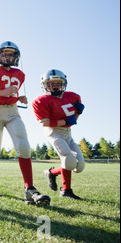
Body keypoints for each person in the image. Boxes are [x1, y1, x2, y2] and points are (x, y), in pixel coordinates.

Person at [0, 41, 50, 207]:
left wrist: (18, 98)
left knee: (23, 145)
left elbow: (9, 93)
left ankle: (29, 189)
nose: (7, 57)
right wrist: (4, 92)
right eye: (4, 53)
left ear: (16, 57)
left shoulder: (19, 74)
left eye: (11, 54)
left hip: (12, 111)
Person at [31, 69, 85, 200]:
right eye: (51, 83)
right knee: (69, 160)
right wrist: (66, 120)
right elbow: (45, 123)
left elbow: (73, 121)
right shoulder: (41, 100)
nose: (55, 86)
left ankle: (51, 173)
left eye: (58, 83)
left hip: (67, 132)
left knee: (79, 165)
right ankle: (66, 191)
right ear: (45, 85)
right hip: (53, 132)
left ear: (64, 83)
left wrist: (78, 113)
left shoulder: (73, 96)